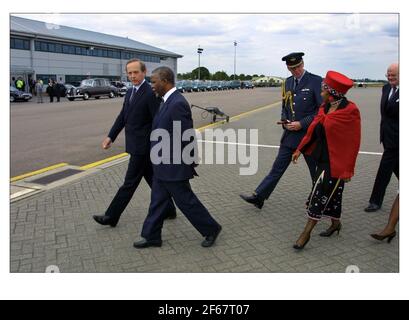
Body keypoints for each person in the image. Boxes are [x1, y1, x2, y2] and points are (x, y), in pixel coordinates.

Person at [134, 66, 222, 249]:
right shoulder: (166, 101)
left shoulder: (177, 103)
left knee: (187, 202)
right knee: (157, 202)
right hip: (162, 164)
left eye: (154, 82)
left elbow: (186, 136)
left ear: (165, 81)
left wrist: (189, 162)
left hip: (174, 166)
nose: (152, 85)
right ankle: (151, 236)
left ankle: (211, 229)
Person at [93, 59, 176, 228]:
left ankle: (111, 216)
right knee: (153, 180)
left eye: (136, 72)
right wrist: (111, 136)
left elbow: (158, 121)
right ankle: (169, 209)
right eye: (129, 73)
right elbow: (123, 116)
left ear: (144, 72)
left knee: (129, 183)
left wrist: (159, 146)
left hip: (143, 148)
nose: (132, 76)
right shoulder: (131, 92)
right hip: (136, 145)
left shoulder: (150, 92)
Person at [240, 52, 322, 209]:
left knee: (316, 172)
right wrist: (284, 121)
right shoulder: (288, 83)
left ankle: (318, 201)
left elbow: (321, 111)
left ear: (303, 64)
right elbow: (285, 106)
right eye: (292, 69)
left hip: (309, 136)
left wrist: (302, 123)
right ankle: (259, 197)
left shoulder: (315, 81)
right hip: (290, 136)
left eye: (297, 67)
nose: (295, 71)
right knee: (276, 168)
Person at [291, 70, 361, 250]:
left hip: (337, 162)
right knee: (334, 195)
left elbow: (353, 142)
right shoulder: (324, 108)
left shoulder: (349, 110)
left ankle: (306, 233)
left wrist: (347, 169)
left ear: (333, 94)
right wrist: (299, 149)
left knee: (319, 194)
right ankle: (336, 224)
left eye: (324, 91)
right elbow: (313, 130)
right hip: (320, 158)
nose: (321, 93)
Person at [364, 63, 399, 212]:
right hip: (387, 136)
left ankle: (375, 201)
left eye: (394, 75)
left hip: (398, 139)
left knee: (384, 169)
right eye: (388, 75)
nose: (390, 78)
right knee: (397, 167)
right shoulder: (385, 88)